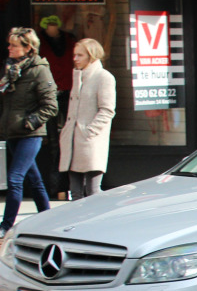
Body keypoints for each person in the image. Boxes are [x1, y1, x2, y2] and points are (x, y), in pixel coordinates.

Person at [0, 27, 56, 235]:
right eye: (10, 44)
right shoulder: (11, 70)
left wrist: (29, 123)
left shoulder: (40, 70)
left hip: (30, 134)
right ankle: (48, 219)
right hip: (13, 132)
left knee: (15, 179)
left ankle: (5, 226)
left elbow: (51, 106)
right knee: (35, 179)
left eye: (14, 45)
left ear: (28, 48)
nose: (9, 48)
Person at [59, 38, 115, 199]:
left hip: (90, 141)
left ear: (91, 56)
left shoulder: (104, 77)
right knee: (75, 193)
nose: (75, 59)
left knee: (93, 192)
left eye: (80, 55)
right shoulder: (78, 77)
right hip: (73, 141)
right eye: (74, 55)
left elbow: (107, 109)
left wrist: (89, 131)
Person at [36, 14, 76, 197]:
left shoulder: (70, 40)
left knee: (69, 139)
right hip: (50, 95)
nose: (51, 28)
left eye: (54, 25)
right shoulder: (40, 43)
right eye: (48, 25)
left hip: (70, 93)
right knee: (53, 143)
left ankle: (67, 185)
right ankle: (56, 187)